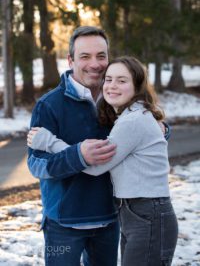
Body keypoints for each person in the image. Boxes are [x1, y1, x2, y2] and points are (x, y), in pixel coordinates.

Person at [28, 56, 178, 266]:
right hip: (135, 213)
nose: (112, 86)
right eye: (108, 79)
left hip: (146, 213)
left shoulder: (133, 119)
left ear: (137, 85)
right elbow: (35, 164)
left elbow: (95, 166)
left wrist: (50, 142)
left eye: (122, 80)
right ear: (70, 61)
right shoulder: (130, 116)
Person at [27, 26, 120, 266]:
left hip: (110, 219)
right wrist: (77, 155)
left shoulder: (118, 99)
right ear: (70, 60)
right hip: (63, 223)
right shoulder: (49, 105)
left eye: (101, 56)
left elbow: (142, 132)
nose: (95, 64)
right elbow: (36, 165)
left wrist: (162, 130)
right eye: (85, 56)